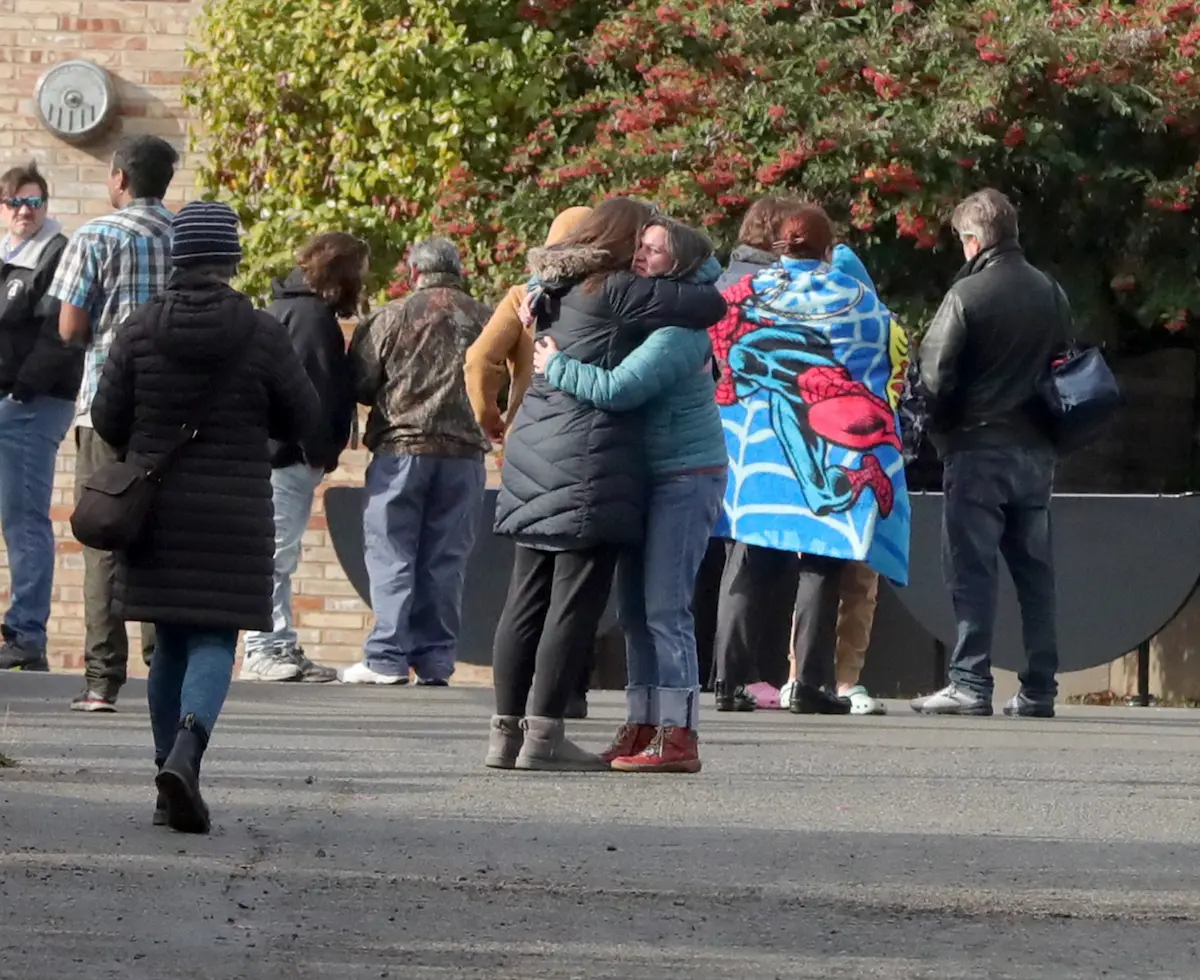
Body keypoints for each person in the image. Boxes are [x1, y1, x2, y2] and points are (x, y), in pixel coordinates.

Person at [90, 201, 319, 833]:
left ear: (178, 259)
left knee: (168, 641)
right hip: (236, 509)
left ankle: (168, 782)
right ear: (231, 262)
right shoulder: (262, 330)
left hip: (157, 510)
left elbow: (108, 420)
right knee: (216, 635)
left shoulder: (139, 328)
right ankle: (189, 751)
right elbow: (303, 418)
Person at [488, 198, 726, 772]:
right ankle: (554, 734)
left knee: (633, 607)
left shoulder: (553, 290)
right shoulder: (618, 293)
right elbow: (710, 302)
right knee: (581, 605)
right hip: (585, 464)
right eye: (637, 245)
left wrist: (551, 356)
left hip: (568, 461)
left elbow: (624, 385)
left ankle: (515, 736)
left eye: (654, 248)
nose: (641, 256)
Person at [708, 205, 911, 715]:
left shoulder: (739, 296)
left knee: (748, 557)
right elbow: (889, 350)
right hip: (828, 438)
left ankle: (729, 680)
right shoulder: (858, 299)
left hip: (761, 445)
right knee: (822, 562)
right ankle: (812, 684)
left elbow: (717, 347)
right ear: (828, 250)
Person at [911, 188, 1065, 718]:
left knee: (972, 569)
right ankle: (1039, 688)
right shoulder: (1051, 292)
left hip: (977, 450)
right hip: (1036, 451)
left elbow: (933, 374)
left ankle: (970, 682)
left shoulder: (968, 295)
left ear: (974, 240)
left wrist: (941, 429)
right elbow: (1065, 364)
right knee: (1034, 573)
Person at [51, 135, 178, 712]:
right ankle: (166, 671)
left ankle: (102, 679)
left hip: (105, 404)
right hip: (172, 411)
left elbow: (70, 328)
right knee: (161, 539)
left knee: (104, 534)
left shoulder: (96, 235)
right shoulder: (185, 237)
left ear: (120, 177)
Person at [463, 205, 596, 719]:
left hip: (526, 442)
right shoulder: (604, 297)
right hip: (586, 445)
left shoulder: (527, 296)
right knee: (577, 587)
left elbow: (479, 358)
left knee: (527, 585)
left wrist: (489, 415)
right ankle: (566, 694)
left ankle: (509, 713)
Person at [344, 238, 490, 686]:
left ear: (414, 274)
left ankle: (386, 657)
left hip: (401, 453)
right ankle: (435, 661)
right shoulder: (486, 319)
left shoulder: (390, 316)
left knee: (392, 554)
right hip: (464, 457)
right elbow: (503, 382)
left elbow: (361, 382)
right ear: (458, 271)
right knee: (446, 561)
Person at [241, 232, 366, 683]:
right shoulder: (313, 319)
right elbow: (313, 393)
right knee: (275, 553)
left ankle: (279, 642)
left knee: (278, 552)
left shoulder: (288, 309)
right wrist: (318, 452)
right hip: (286, 457)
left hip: (276, 453)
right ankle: (263, 646)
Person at [0, 163, 81, 671]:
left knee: (24, 519)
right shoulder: (8, 257)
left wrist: (21, 393)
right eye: (16, 202)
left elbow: (60, 335)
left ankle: (27, 635)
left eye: (35, 202)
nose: (26, 211)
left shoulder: (55, 253)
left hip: (31, 405)